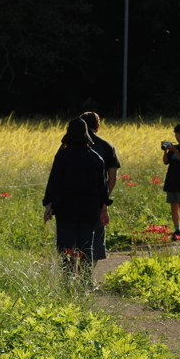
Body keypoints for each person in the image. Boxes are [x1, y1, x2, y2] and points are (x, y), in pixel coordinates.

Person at [43, 119, 110, 275]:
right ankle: (85, 281)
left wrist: (48, 205)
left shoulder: (62, 156)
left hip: (66, 208)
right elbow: (103, 187)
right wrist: (104, 209)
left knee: (66, 246)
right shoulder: (96, 158)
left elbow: (54, 182)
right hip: (89, 208)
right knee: (86, 246)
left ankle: (68, 278)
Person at [79, 111, 120, 262]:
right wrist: (104, 202)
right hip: (96, 199)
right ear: (98, 126)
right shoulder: (107, 147)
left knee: (74, 236)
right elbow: (112, 177)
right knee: (95, 237)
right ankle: (86, 277)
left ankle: (71, 277)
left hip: (72, 199)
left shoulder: (67, 146)